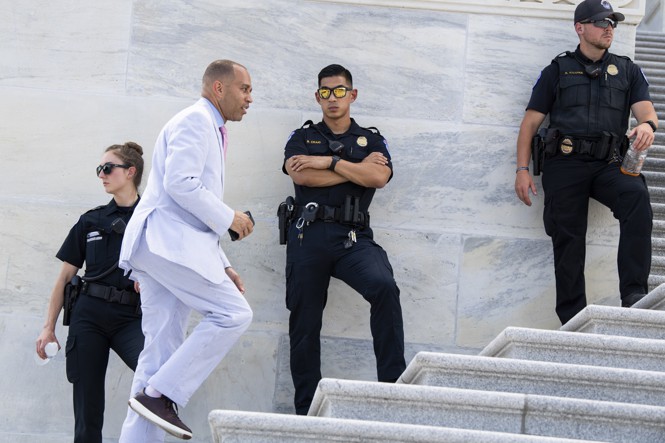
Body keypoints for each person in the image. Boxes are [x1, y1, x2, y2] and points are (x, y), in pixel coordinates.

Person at [117, 59, 255, 442]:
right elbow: (182, 184)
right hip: (165, 245)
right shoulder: (196, 120)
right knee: (232, 313)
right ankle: (162, 394)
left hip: (165, 246)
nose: (250, 98)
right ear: (218, 88)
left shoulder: (210, 126)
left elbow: (187, 201)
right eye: (244, 89)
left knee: (159, 354)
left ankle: (152, 401)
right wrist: (231, 217)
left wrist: (222, 263)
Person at [514, 0, 658, 325]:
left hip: (609, 163)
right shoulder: (557, 70)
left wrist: (647, 126)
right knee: (568, 236)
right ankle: (573, 316)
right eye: (601, 22)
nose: (609, 28)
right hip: (564, 164)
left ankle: (634, 295)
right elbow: (530, 124)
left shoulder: (627, 69)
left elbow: (646, 111)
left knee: (636, 197)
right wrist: (522, 170)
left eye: (613, 23)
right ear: (580, 27)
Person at [282, 64, 406, 415]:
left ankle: (395, 393)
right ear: (317, 96)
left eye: (339, 91)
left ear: (352, 95)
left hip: (353, 237)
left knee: (384, 287)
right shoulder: (302, 137)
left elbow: (379, 177)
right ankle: (307, 412)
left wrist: (330, 163)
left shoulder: (371, 139)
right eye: (325, 92)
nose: (332, 98)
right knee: (304, 322)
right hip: (309, 234)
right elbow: (303, 177)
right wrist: (355, 170)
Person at [35, 142, 145, 443]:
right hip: (89, 317)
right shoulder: (91, 220)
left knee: (156, 376)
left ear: (130, 171)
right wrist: (48, 328)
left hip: (130, 318)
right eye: (99, 169)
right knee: (88, 412)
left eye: (107, 168)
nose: (102, 175)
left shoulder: (153, 217)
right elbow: (64, 279)